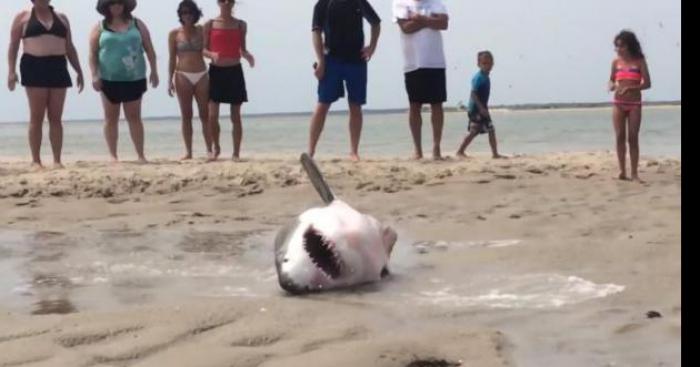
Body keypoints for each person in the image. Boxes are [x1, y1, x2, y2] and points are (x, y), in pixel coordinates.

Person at [7, 0, 84, 169]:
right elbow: (13, 46)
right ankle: (36, 160)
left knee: (56, 117)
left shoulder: (61, 18)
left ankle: (57, 160)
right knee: (37, 116)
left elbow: (69, 47)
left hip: (57, 65)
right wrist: (11, 72)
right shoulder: (23, 18)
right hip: (33, 65)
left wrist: (79, 70)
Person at [308, 0, 381, 162]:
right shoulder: (322, 4)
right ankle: (310, 151)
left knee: (355, 105)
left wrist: (372, 47)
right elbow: (316, 33)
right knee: (322, 104)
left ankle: (354, 151)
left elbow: (375, 23)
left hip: (356, 60)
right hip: (331, 60)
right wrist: (320, 61)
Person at [89, 0, 158, 163]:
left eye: (119, 2)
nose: (116, 6)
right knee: (111, 118)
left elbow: (149, 47)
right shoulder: (99, 27)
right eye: (112, 3)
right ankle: (113, 156)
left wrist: (154, 70)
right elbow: (92, 54)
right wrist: (94, 75)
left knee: (134, 117)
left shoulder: (137, 24)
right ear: (106, 7)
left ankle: (141, 155)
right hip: (108, 78)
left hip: (134, 77)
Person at [392, 0, 448, 160]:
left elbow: (443, 24)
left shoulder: (436, 3)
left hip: (435, 61)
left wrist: (420, 19)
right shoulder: (400, 3)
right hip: (413, 62)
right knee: (414, 105)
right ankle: (418, 150)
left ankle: (436, 148)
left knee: (437, 104)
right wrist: (430, 21)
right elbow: (406, 28)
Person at [203, 0, 255, 161]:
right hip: (216, 72)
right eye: (222, 0)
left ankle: (236, 153)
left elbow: (243, 49)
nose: (226, 3)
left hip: (234, 71)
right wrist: (211, 55)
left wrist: (248, 56)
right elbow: (203, 49)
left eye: (229, 0)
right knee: (212, 115)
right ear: (218, 2)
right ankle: (216, 147)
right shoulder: (210, 24)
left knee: (235, 116)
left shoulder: (241, 25)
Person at [168, 0, 212, 160]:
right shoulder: (174, 34)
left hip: (201, 74)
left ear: (195, 14)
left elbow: (209, 44)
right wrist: (169, 79)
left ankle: (209, 149)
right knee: (186, 115)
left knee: (204, 114)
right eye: (184, 13)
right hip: (182, 75)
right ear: (180, 15)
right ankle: (188, 151)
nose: (187, 16)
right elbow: (172, 58)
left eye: (190, 12)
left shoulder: (201, 30)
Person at [608, 30, 651, 182]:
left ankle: (634, 173)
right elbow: (611, 80)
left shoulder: (639, 61)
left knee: (632, 138)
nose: (619, 49)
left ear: (629, 46)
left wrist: (631, 88)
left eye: (621, 46)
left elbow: (647, 84)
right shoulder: (616, 62)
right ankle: (622, 171)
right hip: (618, 103)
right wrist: (612, 85)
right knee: (620, 136)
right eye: (617, 47)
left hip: (634, 104)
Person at [456, 51, 505, 159]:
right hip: (476, 109)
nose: (487, 66)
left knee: (488, 129)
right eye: (484, 63)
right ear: (479, 64)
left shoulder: (486, 76)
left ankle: (495, 154)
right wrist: (481, 108)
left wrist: (484, 108)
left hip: (482, 108)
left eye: (489, 63)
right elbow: (473, 94)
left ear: (493, 64)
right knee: (475, 130)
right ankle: (460, 151)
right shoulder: (479, 78)